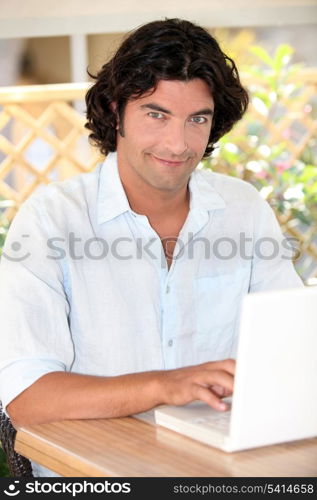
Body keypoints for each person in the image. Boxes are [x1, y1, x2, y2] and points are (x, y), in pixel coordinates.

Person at [0, 18, 303, 476]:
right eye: (156, 114)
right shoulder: (51, 221)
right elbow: (26, 399)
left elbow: (293, 349)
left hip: (220, 467)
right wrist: (165, 385)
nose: (178, 144)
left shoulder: (243, 210)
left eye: (197, 119)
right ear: (115, 109)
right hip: (94, 474)